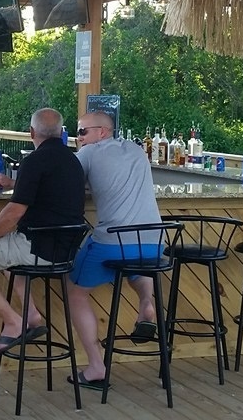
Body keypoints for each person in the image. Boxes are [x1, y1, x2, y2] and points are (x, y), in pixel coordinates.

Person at [0, 107, 85, 357]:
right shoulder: (73, 161)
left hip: (37, 246)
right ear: (61, 133)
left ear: (31, 132)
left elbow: (14, 212)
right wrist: (15, 183)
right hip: (65, 250)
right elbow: (49, 190)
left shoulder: (34, 161)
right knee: (5, 253)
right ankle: (32, 315)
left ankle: (13, 322)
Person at [65, 111, 162, 390]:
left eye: (82, 132)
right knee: (135, 265)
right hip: (154, 242)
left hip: (113, 241)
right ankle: (146, 303)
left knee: (75, 292)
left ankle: (96, 366)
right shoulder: (135, 149)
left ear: (102, 132)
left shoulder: (88, 154)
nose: (78, 137)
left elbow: (59, 185)